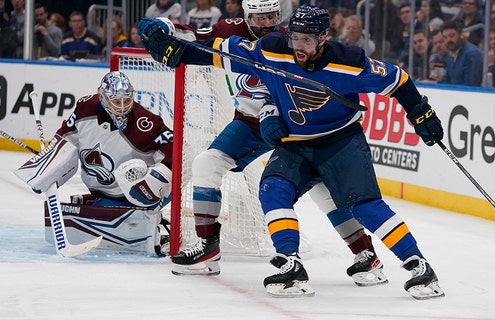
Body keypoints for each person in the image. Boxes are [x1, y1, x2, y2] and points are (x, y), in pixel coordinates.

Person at [139, 4, 445, 299]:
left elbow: (398, 80)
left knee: (364, 206)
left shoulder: (350, 61)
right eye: (295, 38)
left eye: (307, 40)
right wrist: (179, 52)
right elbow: (217, 52)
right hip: (296, 143)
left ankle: (419, 266)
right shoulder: (272, 48)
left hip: (340, 141)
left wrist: (419, 113)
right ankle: (290, 264)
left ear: (324, 38)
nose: (299, 46)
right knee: (272, 189)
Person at [14, 71, 174, 256]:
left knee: (102, 213)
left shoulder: (145, 122)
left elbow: (176, 152)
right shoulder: (85, 108)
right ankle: (98, 203)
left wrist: (154, 184)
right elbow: (66, 139)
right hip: (104, 190)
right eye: (116, 101)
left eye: (126, 101)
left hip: (139, 193)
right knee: (89, 215)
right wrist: (46, 167)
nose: (122, 108)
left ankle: (139, 213)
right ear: (103, 98)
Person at [439, 20, 483, 86]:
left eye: (451, 36)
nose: (448, 40)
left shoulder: (471, 54)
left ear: (461, 35)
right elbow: (447, 80)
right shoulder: (449, 54)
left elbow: (471, 86)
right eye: (445, 37)